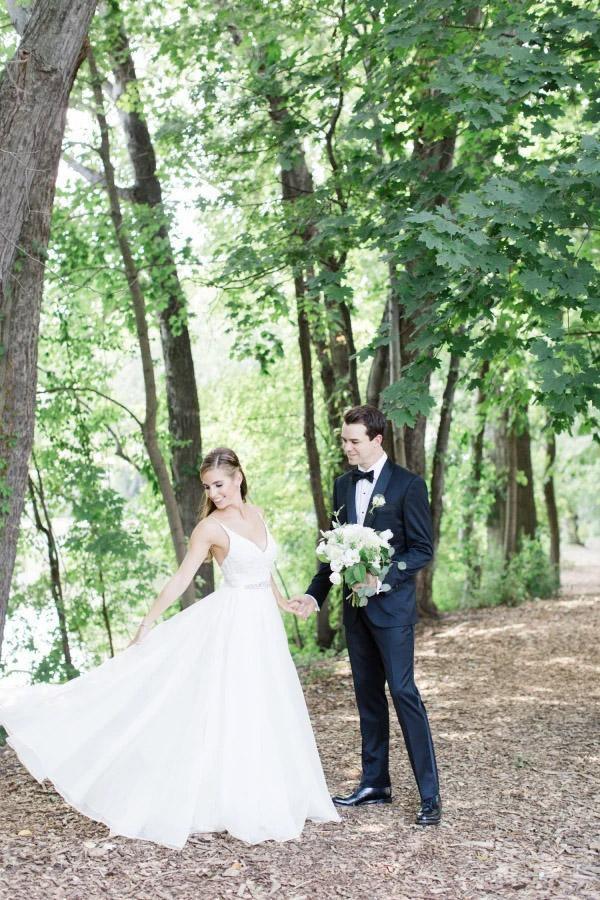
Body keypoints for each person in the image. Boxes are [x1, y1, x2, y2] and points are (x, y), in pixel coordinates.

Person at [0, 447, 340, 849]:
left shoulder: (258, 513)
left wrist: (283, 602)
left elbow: (262, 570)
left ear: (239, 477)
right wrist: (149, 619)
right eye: (208, 487)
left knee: (266, 703)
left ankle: (264, 791)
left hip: (264, 622)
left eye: (220, 484)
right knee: (233, 704)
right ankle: (230, 801)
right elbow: (182, 579)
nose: (215, 493)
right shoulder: (210, 529)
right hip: (234, 623)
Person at [291, 405, 442, 826]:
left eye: (354, 441)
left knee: (404, 694)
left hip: (392, 611)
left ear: (377, 440)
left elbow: (422, 550)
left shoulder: (409, 486)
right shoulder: (342, 485)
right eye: (344, 440)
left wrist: (384, 579)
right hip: (355, 614)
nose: (347, 448)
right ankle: (375, 782)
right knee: (367, 697)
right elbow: (334, 553)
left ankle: (429, 794)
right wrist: (313, 596)